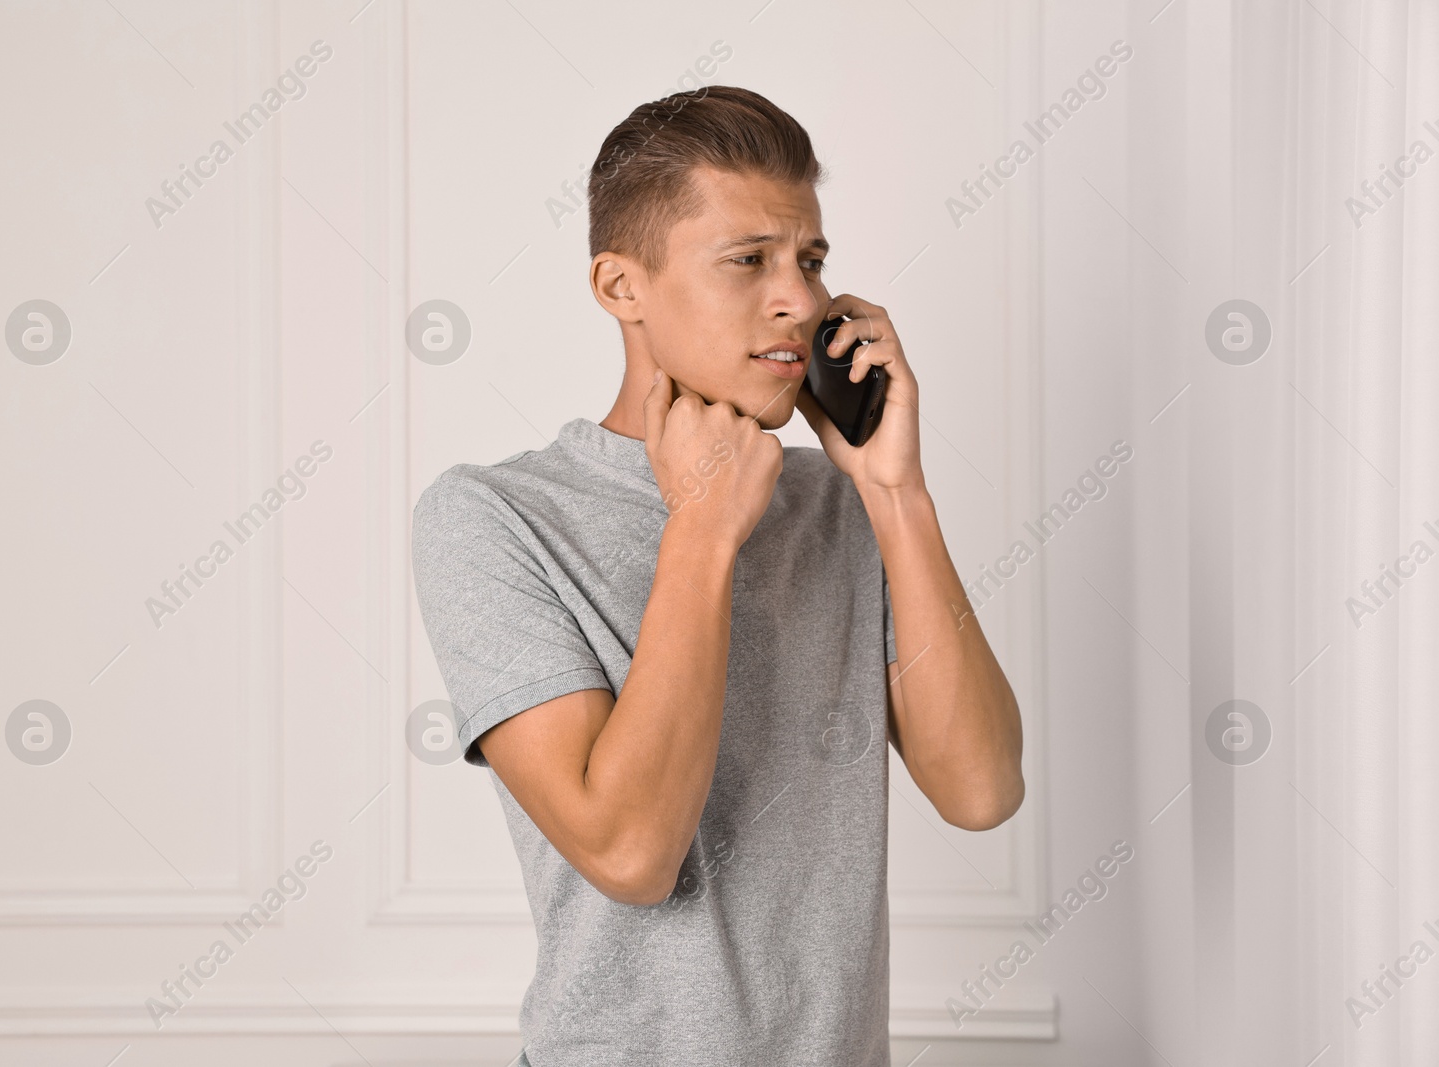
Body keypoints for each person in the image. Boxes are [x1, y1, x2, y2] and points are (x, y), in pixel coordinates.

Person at [411, 84, 1023, 1067]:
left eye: (811, 260)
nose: (801, 299)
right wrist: (701, 528)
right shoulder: (493, 518)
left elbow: (982, 788)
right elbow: (629, 852)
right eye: (749, 261)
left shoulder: (843, 505)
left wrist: (895, 491)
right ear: (621, 287)